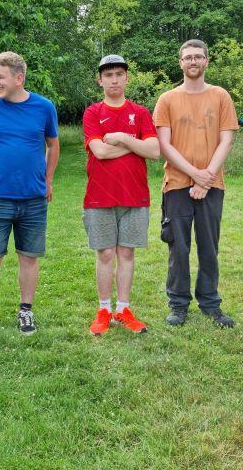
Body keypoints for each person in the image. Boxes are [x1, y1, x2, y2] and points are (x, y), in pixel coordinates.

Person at [0, 52, 60, 341]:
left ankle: (25, 310)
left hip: (32, 198)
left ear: (18, 78)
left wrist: (47, 180)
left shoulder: (44, 107)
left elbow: (53, 146)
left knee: (29, 257)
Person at [153, 39, 239, 327]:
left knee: (209, 246)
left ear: (206, 62)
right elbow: (164, 144)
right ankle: (178, 305)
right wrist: (194, 173)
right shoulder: (167, 99)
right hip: (176, 184)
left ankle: (210, 303)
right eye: (188, 57)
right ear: (180, 63)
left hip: (213, 185)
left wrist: (206, 177)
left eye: (198, 57)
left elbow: (227, 139)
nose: (193, 61)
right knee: (178, 248)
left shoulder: (220, 96)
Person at [83, 54, 160, 336]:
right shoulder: (92, 113)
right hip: (99, 196)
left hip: (135, 195)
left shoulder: (140, 113)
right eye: (108, 75)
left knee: (126, 252)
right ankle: (104, 310)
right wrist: (137, 143)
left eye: (119, 74)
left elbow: (154, 151)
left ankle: (123, 309)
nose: (114, 79)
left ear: (127, 77)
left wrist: (123, 138)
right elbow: (100, 152)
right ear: (100, 79)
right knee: (105, 253)